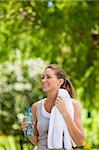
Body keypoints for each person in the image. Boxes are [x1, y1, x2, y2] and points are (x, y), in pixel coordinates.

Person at [22, 64, 84, 150]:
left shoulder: (73, 105)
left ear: (60, 82)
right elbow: (37, 141)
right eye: (43, 77)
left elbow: (80, 141)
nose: (43, 80)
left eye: (48, 77)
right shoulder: (36, 107)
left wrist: (65, 112)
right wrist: (27, 131)